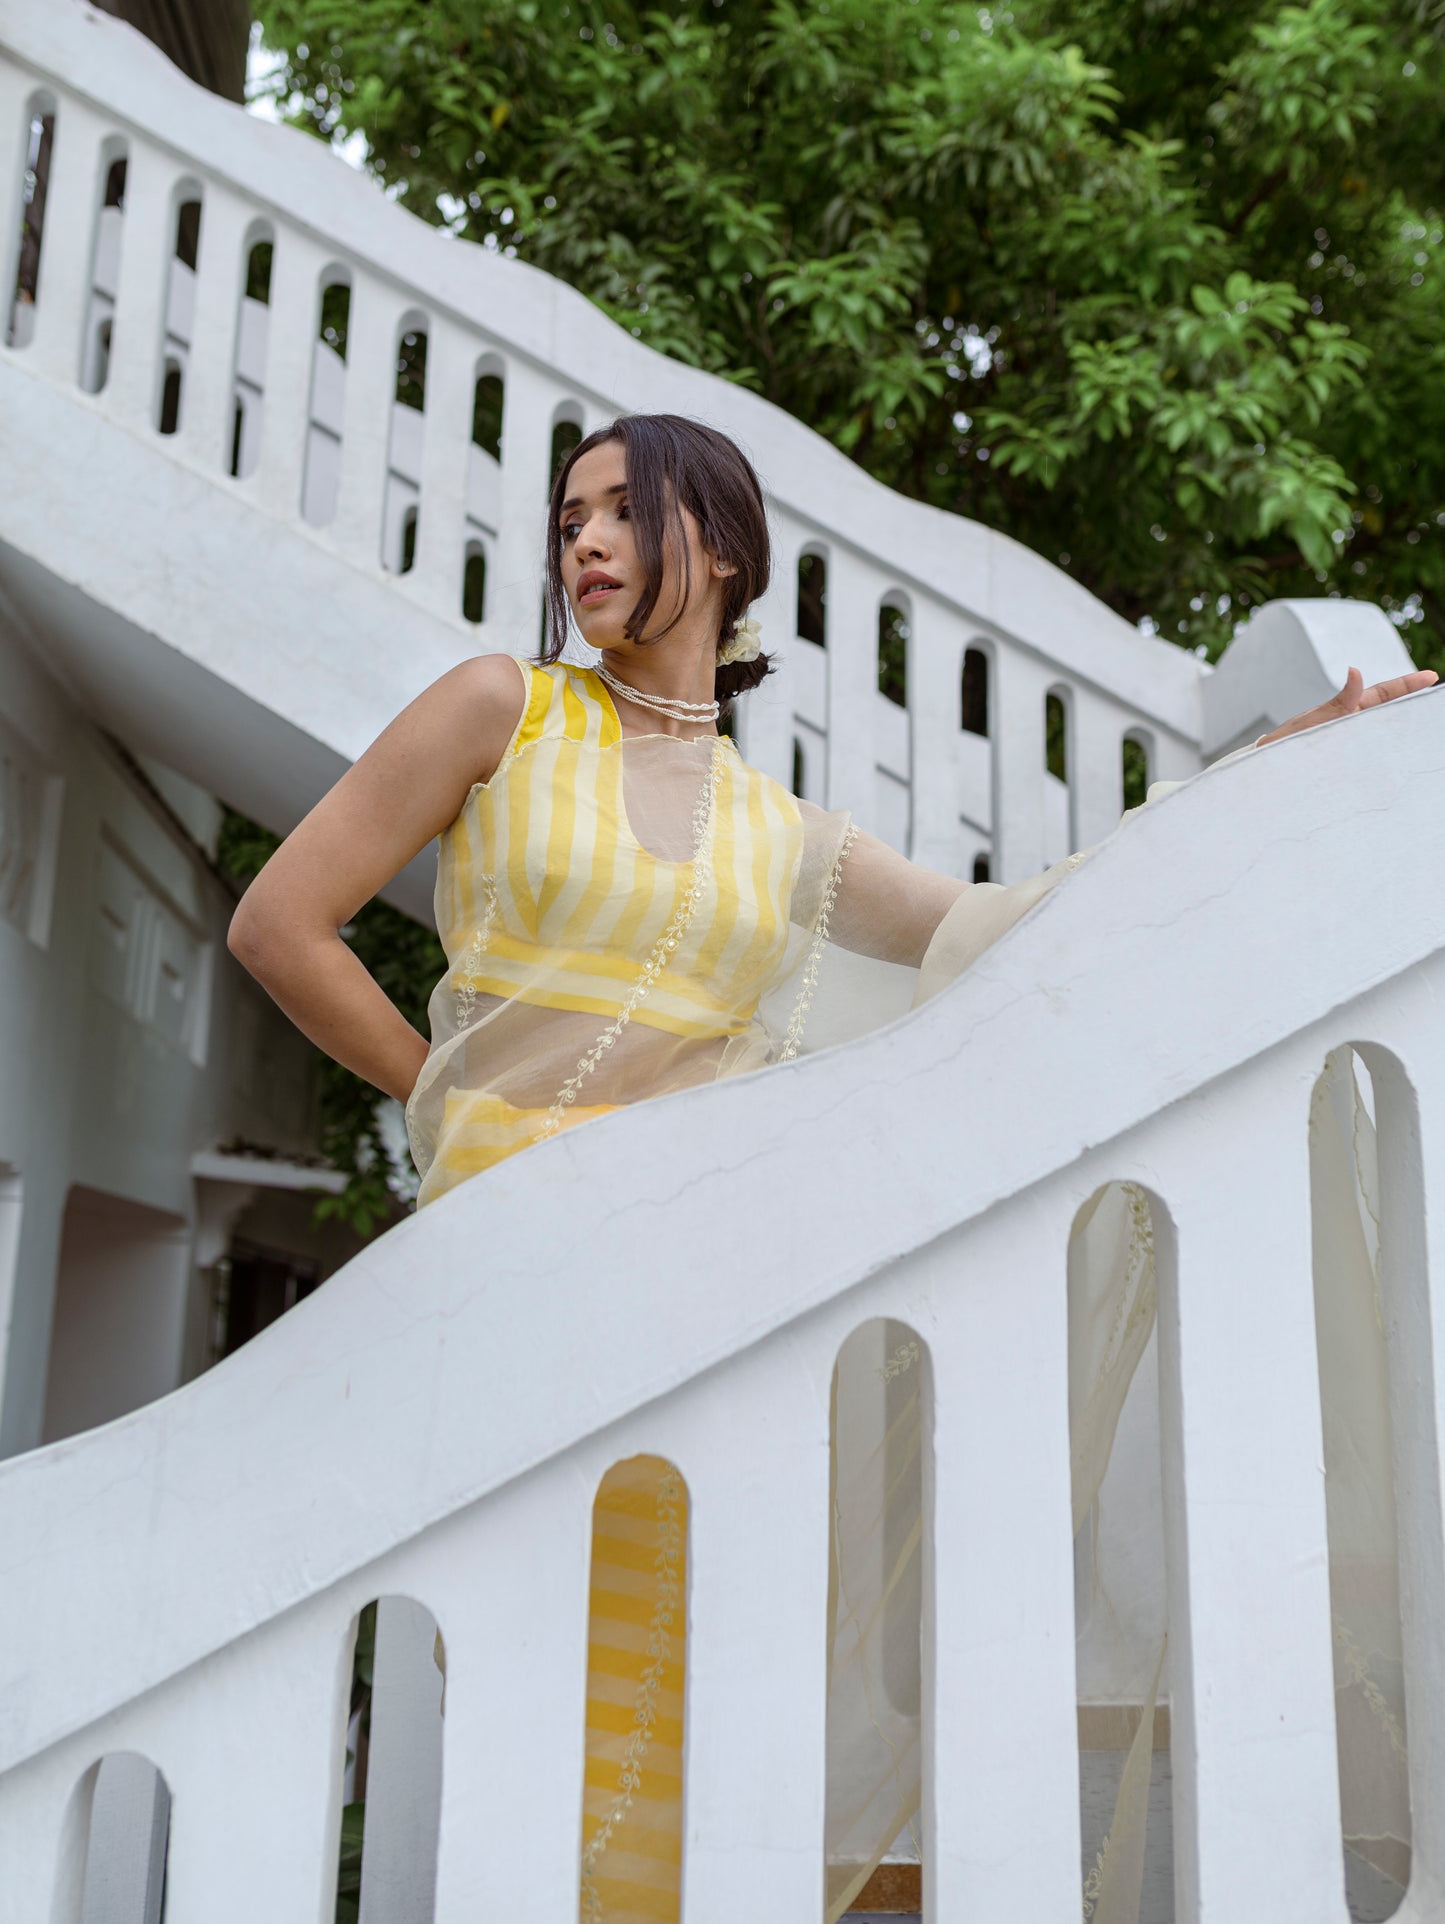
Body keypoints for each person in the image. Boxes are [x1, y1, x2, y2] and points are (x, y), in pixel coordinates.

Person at [229, 412, 1436, 1924]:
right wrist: (449, 1106)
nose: (583, 543)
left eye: (621, 511)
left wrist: (1265, 775)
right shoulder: (501, 712)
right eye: (567, 520)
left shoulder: (773, 828)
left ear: (719, 551)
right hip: (511, 1272)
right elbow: (280, 925)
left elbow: (1000, 927)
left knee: (688, 1650)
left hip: (696, 1294)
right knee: (526, 1635)